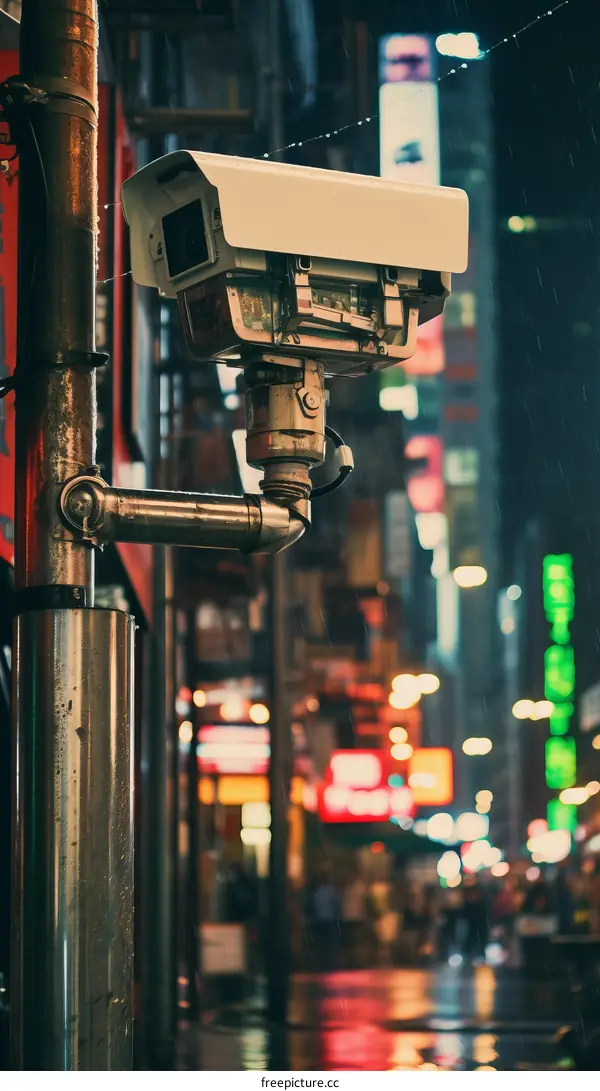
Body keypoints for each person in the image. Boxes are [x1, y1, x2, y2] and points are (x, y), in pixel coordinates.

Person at [308, 871, 341, 969]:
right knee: (330, 943)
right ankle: (329, 963)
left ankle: (321, 963)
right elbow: (336, 906)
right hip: (330, 921)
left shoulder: (316, 893)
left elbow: (312, 907)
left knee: (320, 943)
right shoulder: (332, 892)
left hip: (319, 921)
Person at [341, 874, 368, 967]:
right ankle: (355, 961)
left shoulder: (352, 887)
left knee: (353, 941)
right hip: (354, 918)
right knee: (354, 941)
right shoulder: (358, 887)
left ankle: (354, 962)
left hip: (352, 917)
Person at [463, 883, 489, 964]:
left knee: (480, 945)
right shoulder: (468, 907)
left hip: (479, 930)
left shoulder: (480, 906)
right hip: (472, 931)